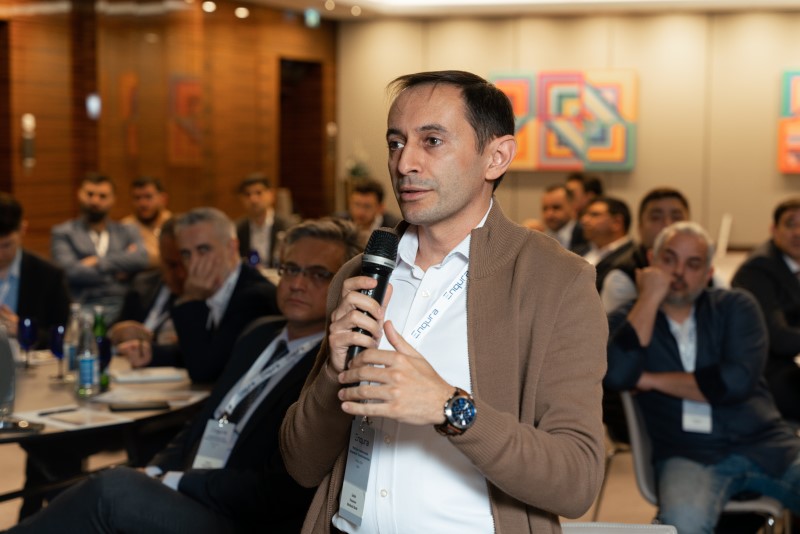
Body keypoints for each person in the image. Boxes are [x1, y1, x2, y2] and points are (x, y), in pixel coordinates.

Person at [280, 70, 607, 533]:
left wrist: (449, 408)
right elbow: (301, 464)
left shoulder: (556, 281)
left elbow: (576, 481)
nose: (404, 163)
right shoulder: (360, 275)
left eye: (431, 141)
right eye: (396, 143)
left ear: (496, 157)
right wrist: (335, 373)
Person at [5, 217, 362, 534]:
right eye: (291, 269)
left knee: (111, 491)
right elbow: (202, 422)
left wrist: (176, 480)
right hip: (196, 488)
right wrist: (155, 471)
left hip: (240, 517)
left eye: (318, 274)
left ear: (345, 285)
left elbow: (277, 491)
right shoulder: (259, 333)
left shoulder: (329, 368)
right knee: (110, 487)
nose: (297, 283)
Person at [605, 221, 800, 533]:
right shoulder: (627, 319)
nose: (678, 272)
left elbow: (735, 382)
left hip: (767, 445)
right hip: (687, 455)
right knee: (683, 522)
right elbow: (617, 376)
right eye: (669, 260)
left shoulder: (735, 306)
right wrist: (648, 299)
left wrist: (651, 380)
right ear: (651, 261)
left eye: (693, 264)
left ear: (708, 273)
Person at [170, 207, 279, 384]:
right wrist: (151, 352)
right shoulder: (211, 289)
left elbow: (205, 370)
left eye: (203, 250)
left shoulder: (255, 298)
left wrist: (191, 299)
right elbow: (199, 349)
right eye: (186, 254)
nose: (194, 263)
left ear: (231, 247)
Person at [731, 197, 800, 422]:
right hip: (764, 373)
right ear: (774, 230)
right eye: (791, 224)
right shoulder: (758, 269)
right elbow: (778, 338)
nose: (798, 233)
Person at [51, 173, 149, 322]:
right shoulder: (64, 233)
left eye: (102, 196)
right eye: (90, 194)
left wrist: (98, 262)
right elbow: (69, 272)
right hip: (83, 305)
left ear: (113, 199)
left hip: (123, 305)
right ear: (79, 194)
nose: (95, 201)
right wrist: (118, 270)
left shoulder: (127, 231)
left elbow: (141, 259)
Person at [110, 217, 186, 368]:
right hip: (127, 369)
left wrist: (158, 351)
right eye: (169, 264)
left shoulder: (206, 293)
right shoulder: (143, 283)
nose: (178, 273)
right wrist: (119, 333)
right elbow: (114, 330)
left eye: (181, 263)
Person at [600, 187, 690, 312]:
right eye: (656, 218)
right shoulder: (622, 278)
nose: (667, 225)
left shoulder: (707, 272)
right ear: (640, 227)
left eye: (676, 217)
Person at [0, 193, 70, 349]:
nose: (0, 255)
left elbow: (62, 337)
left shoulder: (49, 276)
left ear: (23, 229)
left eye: (6, 245)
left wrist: (23, 330)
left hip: (28, 360)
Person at [235, 173, 292, 268]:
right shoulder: (238, 229)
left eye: (258, 193)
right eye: (248, 195)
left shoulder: (287, 227)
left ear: (271, 195)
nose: (253, 199)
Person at [580, 196, 634, 291]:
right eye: (585, 214)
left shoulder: (632, 258)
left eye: (594, 215)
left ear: (617, 222)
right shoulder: (579, 250)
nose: (584, 220)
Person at [121, 176, 173, 269]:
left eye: (148, 197)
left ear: (163, 199)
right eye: (137, 198)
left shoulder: (173, 223)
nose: (143, 203)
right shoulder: (125, 226)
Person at [335, 177, 402, 246]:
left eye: (367, 206)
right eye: (357, 204)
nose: (360, 212)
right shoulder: (338, 223)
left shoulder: (395, 228)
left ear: (380, 208)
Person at [539, 183, 588, 254]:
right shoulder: (541, 237)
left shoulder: (586, 235)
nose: (549, 214)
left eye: (556, 207)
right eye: (545, 209)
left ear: (572, 206)